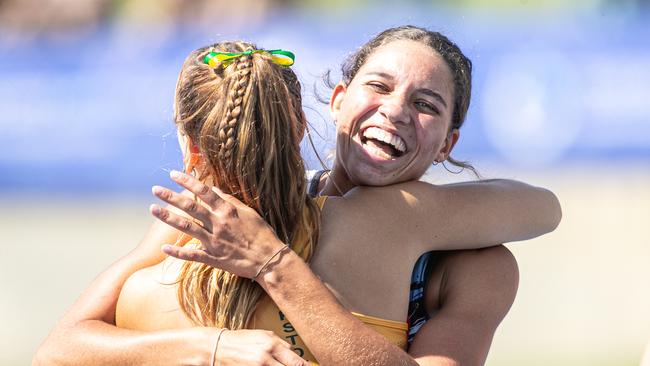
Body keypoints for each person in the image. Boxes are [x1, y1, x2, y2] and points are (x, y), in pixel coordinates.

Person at [34, 26, 561, 366]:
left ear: (448, 144)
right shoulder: (217, 217)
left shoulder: (471, 263)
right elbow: (60, 350)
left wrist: (272, 263)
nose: (396, 110)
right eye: (378, 86)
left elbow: (545, 207)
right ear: (334, 103)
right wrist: (212, 346)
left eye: (425, 104)